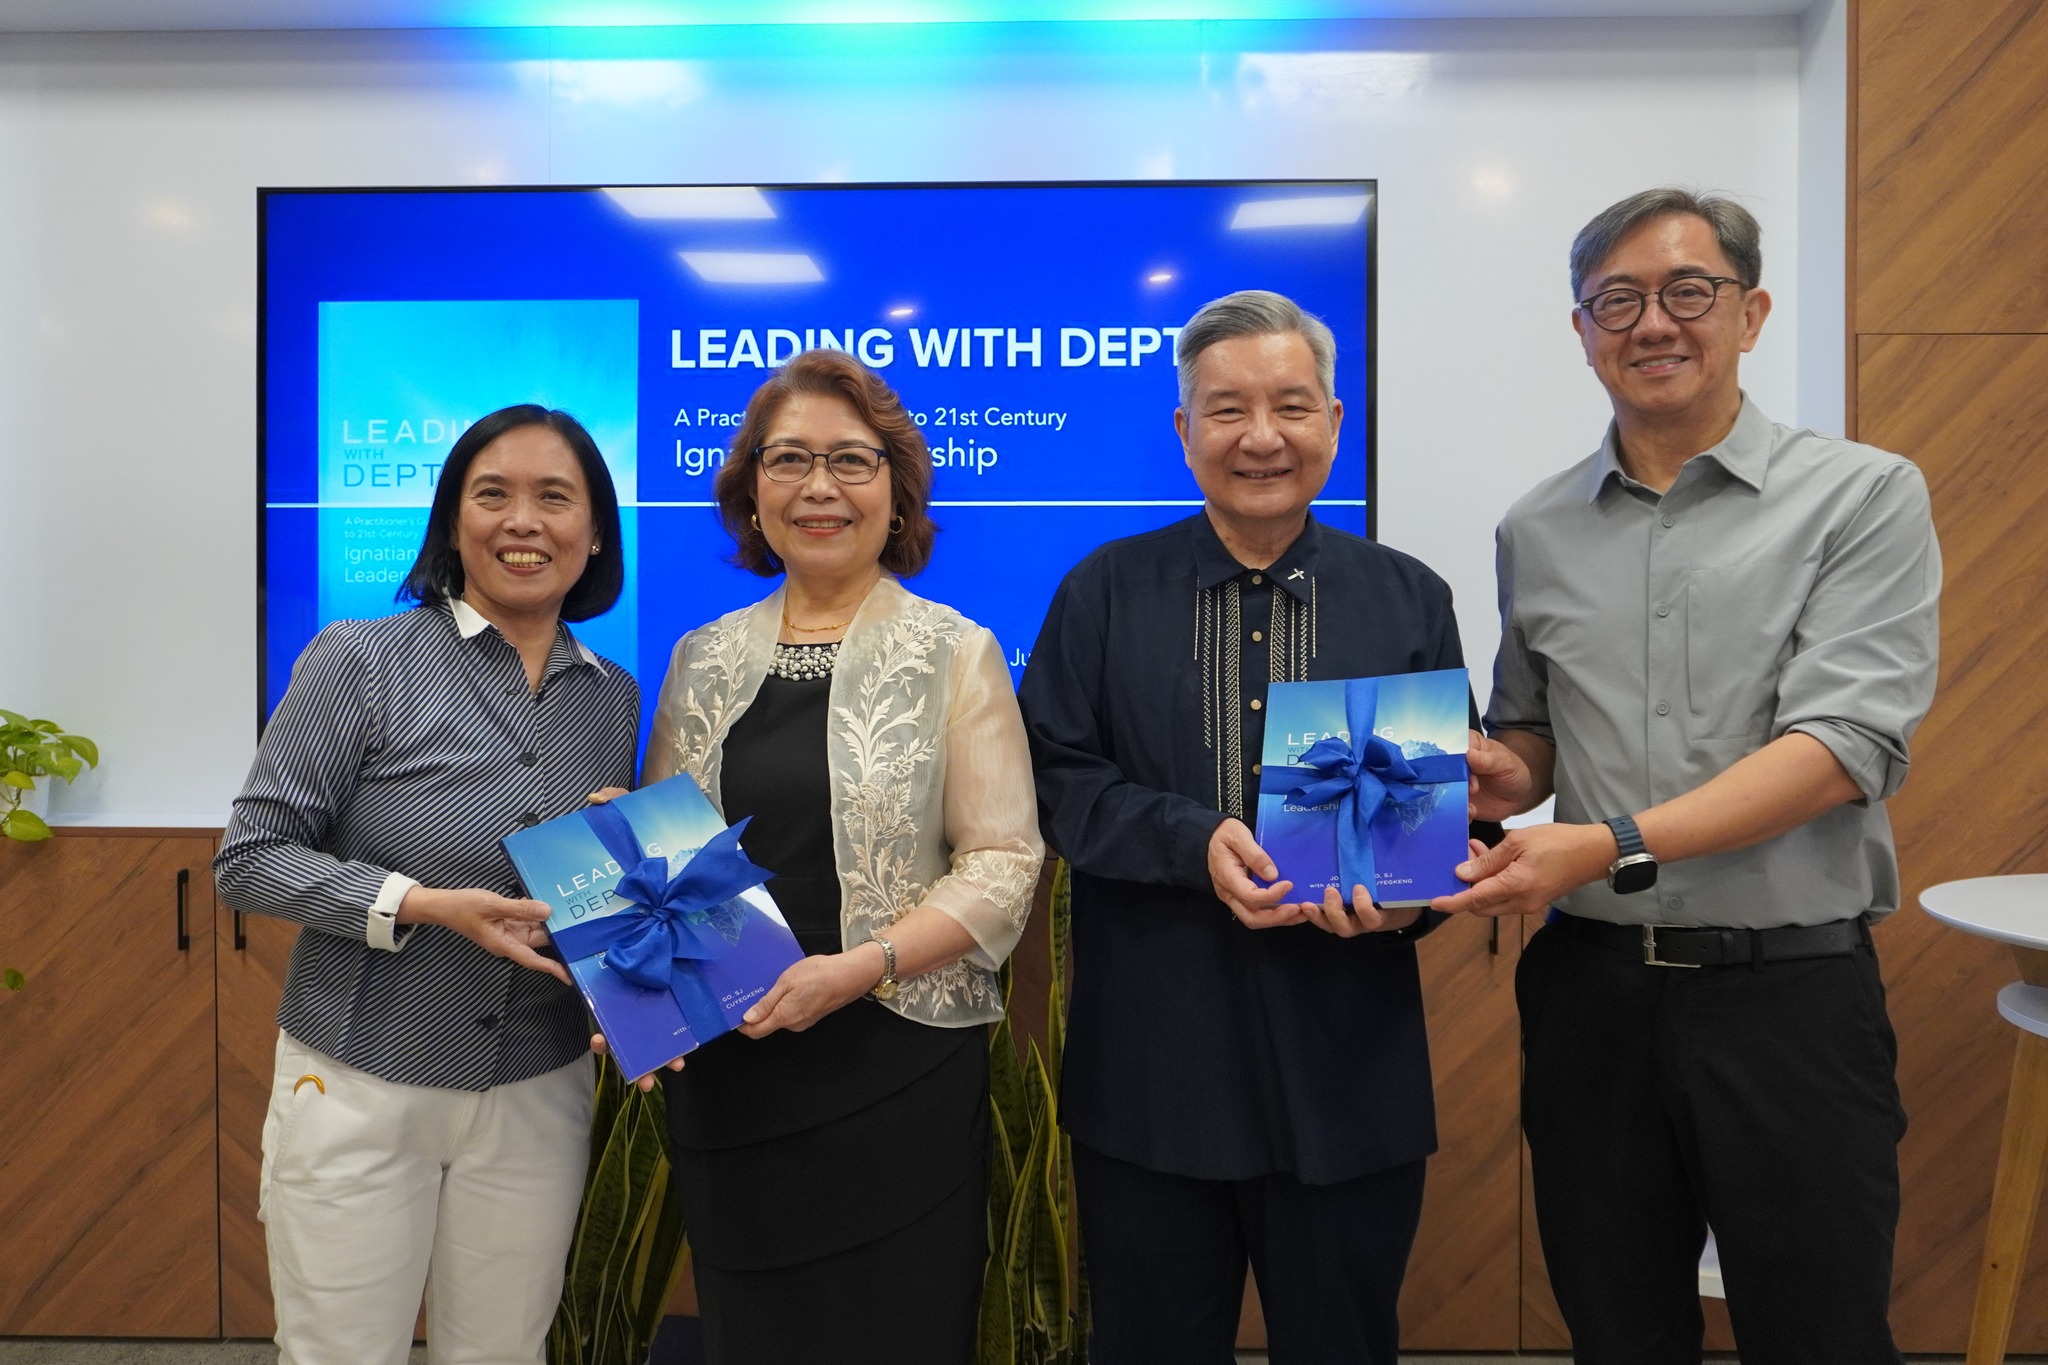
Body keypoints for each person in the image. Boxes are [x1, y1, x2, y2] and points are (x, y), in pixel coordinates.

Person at [1439, 188, 1941, 1365]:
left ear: (1749, 312)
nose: (1650, 322)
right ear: (1580, 329)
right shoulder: (1535, 528)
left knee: (1816, 1332)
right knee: (1616, 1330)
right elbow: (1533, 732)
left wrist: (1604, 842)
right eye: (1616, 299)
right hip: (1589, 1001)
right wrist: (1497, 776)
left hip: (1789, 1002)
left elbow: (1838, 754)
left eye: (1686, 292)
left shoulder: (1860, 497)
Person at [1018, 290, 1478, 1365]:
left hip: (1345, 1064)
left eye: (1290, 405)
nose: (1260, 436)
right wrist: (1191, 840)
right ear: (1183, 433)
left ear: (1332, 422)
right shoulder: (1103, 592)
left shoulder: (1406, 597)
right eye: (1225, 410)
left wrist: (1405, 906)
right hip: (1151, 1069)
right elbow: (1052, 778)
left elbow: (1436, 820)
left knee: (1344, 1343)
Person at [636, 349, 1041, 1365]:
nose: (819, 488)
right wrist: (636, 991)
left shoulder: (956, 650)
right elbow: (665, 867)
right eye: (788, 461)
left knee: (896, 1331)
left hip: (893, 1063)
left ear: (895, 489)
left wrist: (856, 970)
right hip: (733, 1071)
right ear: (751, 490)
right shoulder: (701, 656)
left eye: (850, 462)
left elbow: (1001, 866)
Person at [213, 405, 639, 1365]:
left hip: (540, 1080)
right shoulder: (360, 659)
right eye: (492, 495)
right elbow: (250, 855)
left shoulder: (612, 692)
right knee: (339, 1352)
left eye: (554, 497)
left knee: (503, 1350)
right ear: (453, 522)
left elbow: (592, 890)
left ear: (596, 531)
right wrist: (422, 904)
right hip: (364, 1077)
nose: (522, 521)